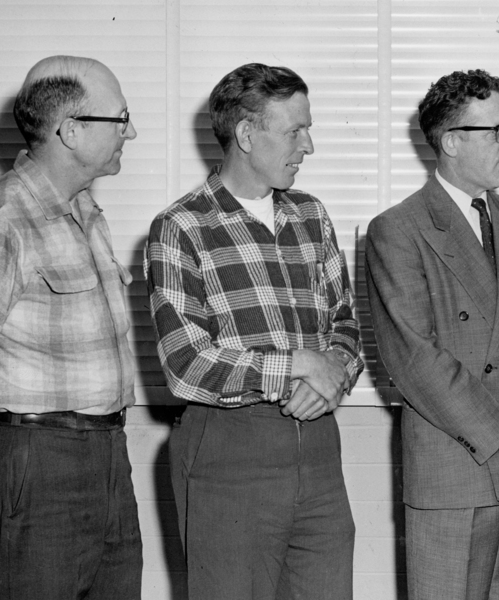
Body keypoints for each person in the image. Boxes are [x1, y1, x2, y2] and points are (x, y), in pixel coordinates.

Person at [144, 63, 363, 600]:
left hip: (319, 456)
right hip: (227, 455)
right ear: (246, 133)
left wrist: (330, 377)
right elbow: (185, 365)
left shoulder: (312, 216)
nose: (308, 145)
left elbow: (346, 325)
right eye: (295, 131)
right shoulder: (182, 228)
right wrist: (296, 365)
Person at [365, 69, 499, 600]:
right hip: (458, 470)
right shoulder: (398, 229)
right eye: (497, 130)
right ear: (452, 142)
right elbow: (417, 359)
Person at [0, 55, 142, 599]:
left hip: (107, 454)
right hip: (34, 464)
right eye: (120, 118)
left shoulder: (86, 213)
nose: (130, 131)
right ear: (69, 130)